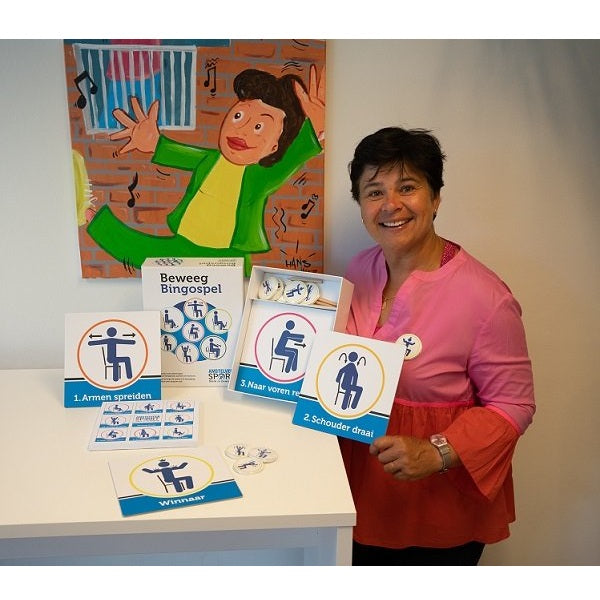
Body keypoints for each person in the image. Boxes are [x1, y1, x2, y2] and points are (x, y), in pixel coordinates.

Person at [340, 126, 535, 566]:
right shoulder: (359, 269)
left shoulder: (486, 297)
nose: (390, 204)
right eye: (374, 191)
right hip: (355, 491)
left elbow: (514, 405)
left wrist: (437, 452)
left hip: (435, 506)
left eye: (407, 187)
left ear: (436, 198)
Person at [86, 66, 325, 276]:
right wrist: (152, 141)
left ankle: (95, 222)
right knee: (140, 251)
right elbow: (174, 151)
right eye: (238, 116)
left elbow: (289, 162)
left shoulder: (259, 178)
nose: (241, 130)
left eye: (259, 126)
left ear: (274, 146)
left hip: (228, 257)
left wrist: (313, 132)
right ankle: (95, 221)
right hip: (184, 244)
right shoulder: (209, 160)